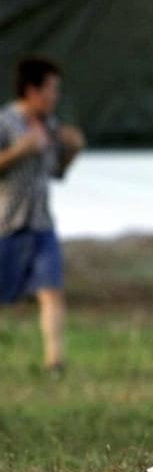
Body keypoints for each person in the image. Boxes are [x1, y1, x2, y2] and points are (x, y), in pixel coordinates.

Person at [0, 57, 85, 374]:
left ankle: (55, 362)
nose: (55, 97)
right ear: (32, 90)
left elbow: (56, 173)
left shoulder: (51, 125)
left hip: (41, 223)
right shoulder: (6, 122)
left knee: (51, 291)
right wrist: (20, 149)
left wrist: (73, 151)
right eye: (51, 90)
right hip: (6, 225)